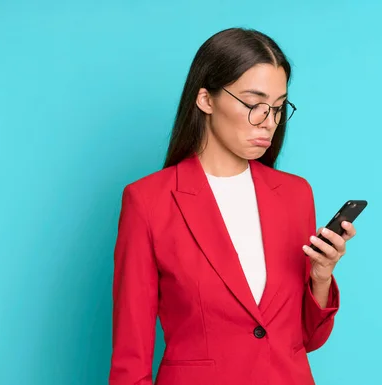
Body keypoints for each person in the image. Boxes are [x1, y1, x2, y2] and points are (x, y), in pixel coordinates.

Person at [109, 27, 357, 385]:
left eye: (277, 107)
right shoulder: (148, 201)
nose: (269, 122)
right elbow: (130, 358)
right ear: (206, 99)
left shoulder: (295, 194)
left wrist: (321, 276)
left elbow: (306, 340)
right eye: (253, 104)